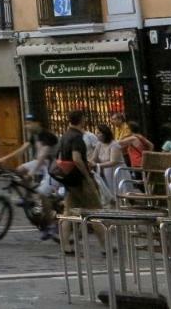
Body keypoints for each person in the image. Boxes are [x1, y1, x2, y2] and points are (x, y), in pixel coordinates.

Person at [59, 109, 101, 254]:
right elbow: (76, 158)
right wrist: (87, 176)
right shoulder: (77, 137)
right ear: (82, 120)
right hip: (80, 180)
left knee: (68, 212)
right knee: (95, 211)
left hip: (69, 179)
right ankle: (106, 246)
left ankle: (65, 245)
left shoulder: (65, 136)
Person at [91, 125, 122, 206]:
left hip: (116, 171)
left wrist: (98, 165)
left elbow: (113, 161)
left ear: (105, 134)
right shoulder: (99, 144)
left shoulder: (114, 145)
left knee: (117, 191)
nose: (96, 135)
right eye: (96, 133)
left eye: (98, 133)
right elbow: (94, 157)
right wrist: (91, 163)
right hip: (106, 171)